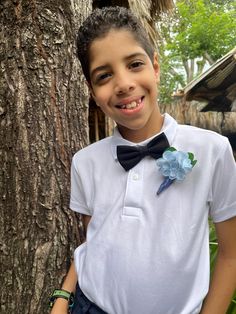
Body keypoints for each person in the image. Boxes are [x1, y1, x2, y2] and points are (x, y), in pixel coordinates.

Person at [50, 6, 236, 314]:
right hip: (88, 306)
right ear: (92, 91)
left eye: (134, 64)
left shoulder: (212, 151)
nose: (123, 83)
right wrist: (61, 297)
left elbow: (231, 254)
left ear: (155, 66)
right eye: (104, 75)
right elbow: (94, 240)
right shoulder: (85, 162)